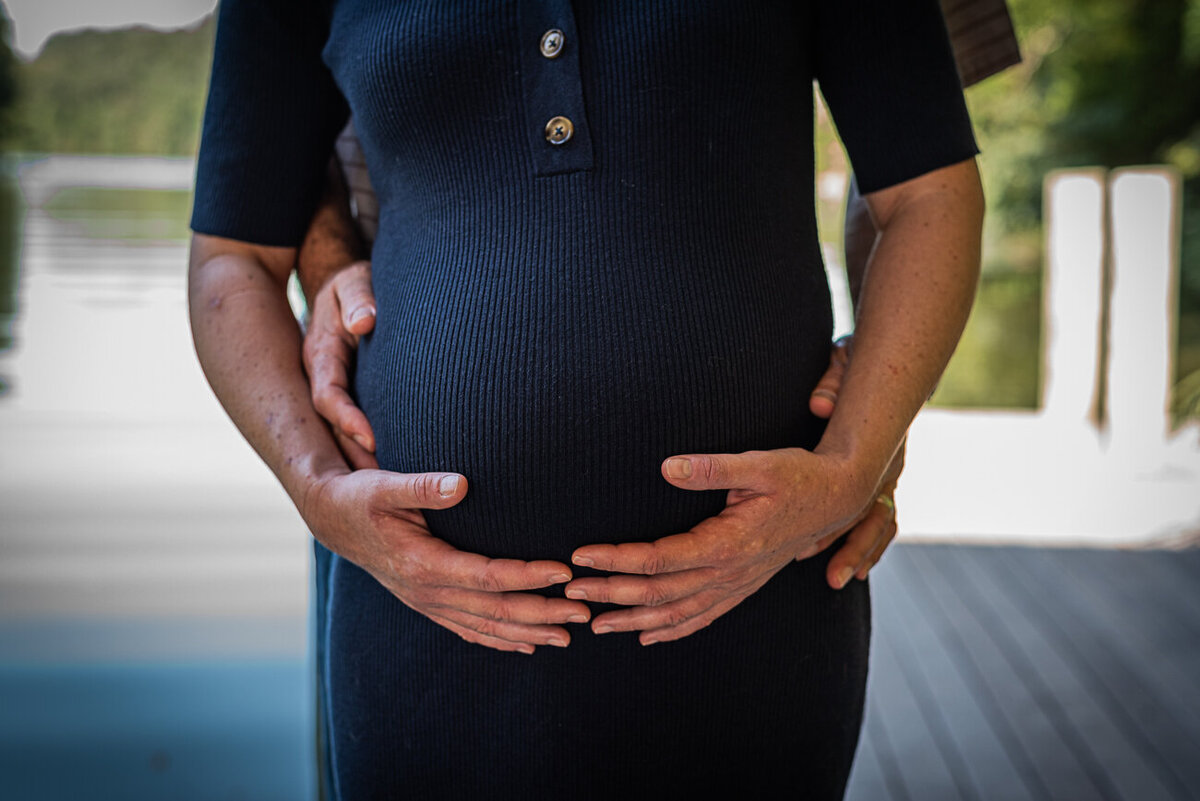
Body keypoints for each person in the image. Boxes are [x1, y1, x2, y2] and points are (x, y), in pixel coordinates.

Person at [187, 2, 984, 798]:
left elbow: (928, 196)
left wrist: (856, 457)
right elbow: (234, 257)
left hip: (760, 589)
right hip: (418, 611)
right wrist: (315, 486)